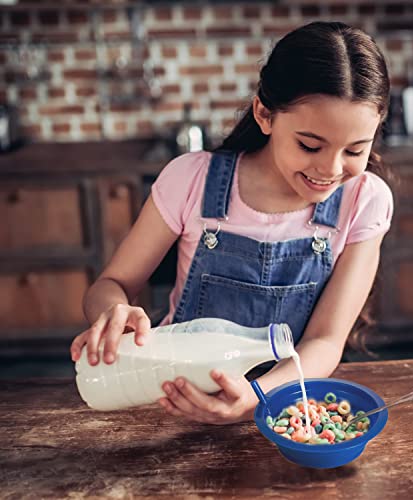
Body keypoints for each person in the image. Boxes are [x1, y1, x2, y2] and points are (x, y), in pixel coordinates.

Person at [70, 21, 393, 425]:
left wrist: (257, 399)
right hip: (175, 403)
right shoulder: (192, 180)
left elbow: (325, 341)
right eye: (309, 145)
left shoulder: (365, 199)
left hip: (286, 405)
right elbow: (109, 285)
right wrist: (114, 313)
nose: (330, 169)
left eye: (355, 150)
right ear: (264, 114)